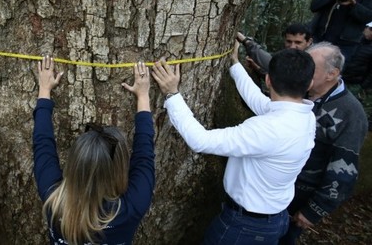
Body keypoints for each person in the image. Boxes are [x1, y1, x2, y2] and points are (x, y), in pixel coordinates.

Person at [152, 43, 317, 244]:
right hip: (273, 219)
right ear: (309, 84)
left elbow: (201, 141)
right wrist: (235, 64)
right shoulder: (304, 117)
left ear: (268, 79)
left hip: (246, 227)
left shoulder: (267, 130)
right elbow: (261, 103)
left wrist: (171, 93)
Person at [32, 57, 155, 244]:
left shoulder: (54, 200)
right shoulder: (132, 206)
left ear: (74, 164)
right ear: (120, 168)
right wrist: (144, 96)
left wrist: (44, 89)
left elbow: (43, 144)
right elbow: (144, 155)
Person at [279, 42, 368, 244]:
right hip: (277, 183)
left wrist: (315, 210)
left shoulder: (351, 114)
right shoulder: (300, 91)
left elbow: (344, 170)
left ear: (332, 74)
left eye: (311, 68)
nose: (303, 72)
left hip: (301, 195)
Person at [237, 23, 313, 75]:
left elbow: (271, 62)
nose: (292, 46)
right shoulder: (285, 55)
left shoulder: (314, 60)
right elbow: (279, 78)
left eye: (298, 43)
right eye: (289, 41)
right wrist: (258, 69)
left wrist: (246, 41)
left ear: (309, 42)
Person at [342, 22, 372, 130]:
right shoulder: (353, 41)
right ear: (366, 28)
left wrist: (363, 86)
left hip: (355, 84)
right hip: (340, 78)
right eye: (371, 29)